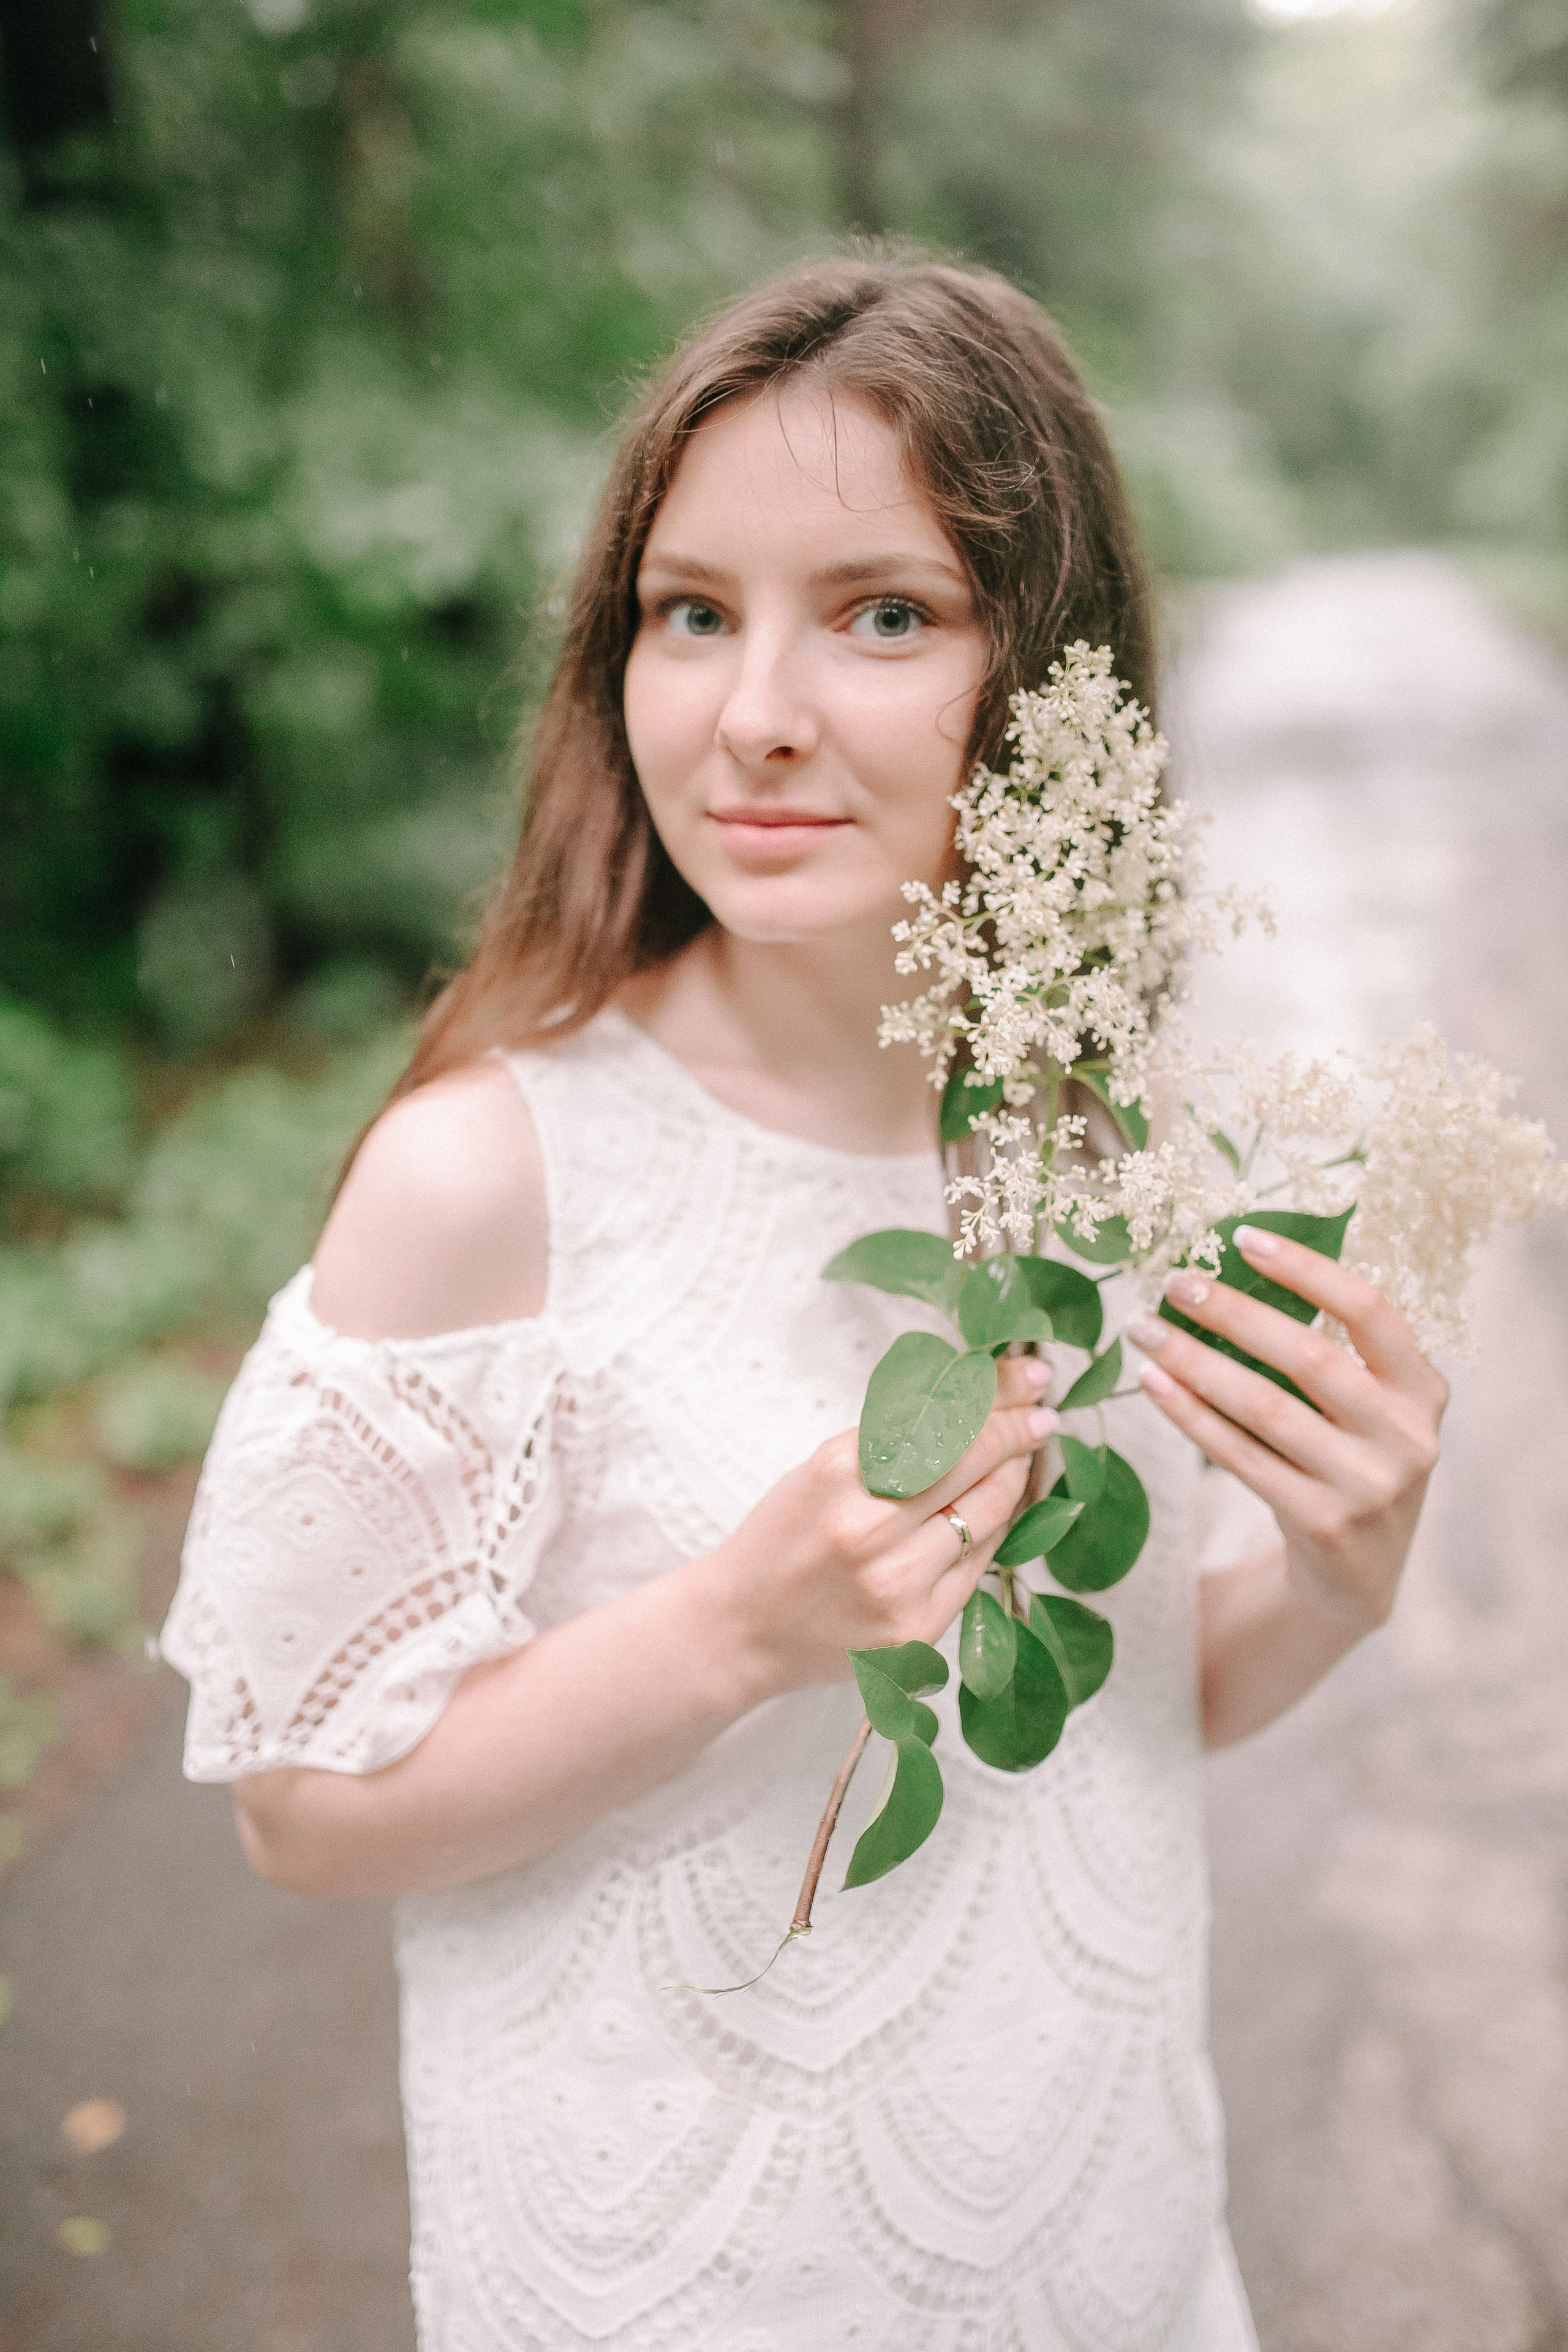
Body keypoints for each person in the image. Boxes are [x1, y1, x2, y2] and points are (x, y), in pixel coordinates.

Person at [160, 252, 1446, 2351]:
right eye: (690, 612)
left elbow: (1125, 1708)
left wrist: (1336, 1579)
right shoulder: (491, 1178)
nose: (753, 710)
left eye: (883, 614)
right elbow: (301, 1808)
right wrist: (733, 1634)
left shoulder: (1116, 1154)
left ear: (1051, 673)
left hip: (1105, 2255)